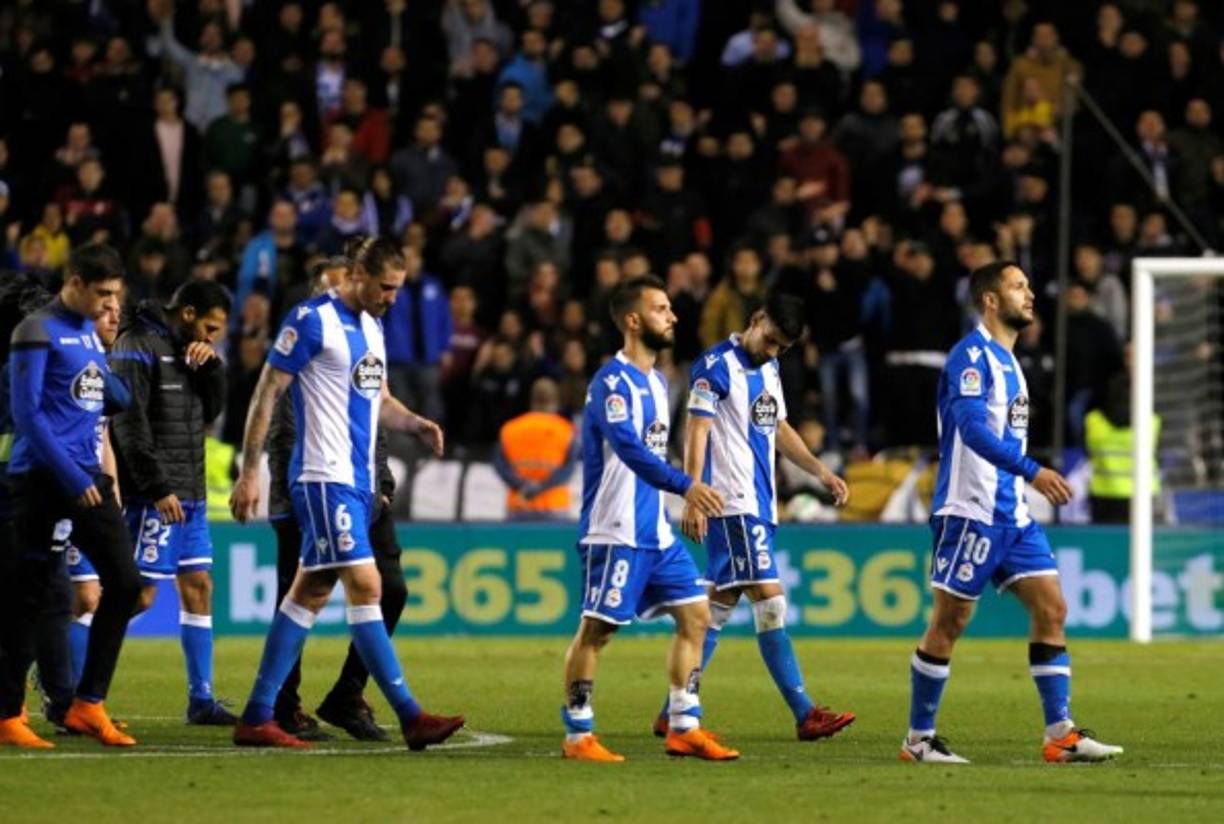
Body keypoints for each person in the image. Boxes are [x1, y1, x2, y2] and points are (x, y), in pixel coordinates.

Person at [228, 236, 463, 750]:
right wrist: (250, 473)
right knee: (369, 585)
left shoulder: (373, 329)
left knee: (308, 593)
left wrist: (415, 423)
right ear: (357, 273)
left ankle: (256, 714)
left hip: (359, 484)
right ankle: (410, 714)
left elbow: (377, 399)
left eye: (399, 289)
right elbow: (267, 392)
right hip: (322, 477)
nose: (392, 298)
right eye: (385, 287)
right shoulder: (311, 321)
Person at [901, 261, 1124, 765]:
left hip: (1013, 516)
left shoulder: (1010, 362)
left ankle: (1060, 733)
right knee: (951, 620)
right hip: (970, 512)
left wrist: (1022, 485)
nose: (1030, 294)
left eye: (1028, 284)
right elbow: (974, 432)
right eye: (1018, 286)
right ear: (991, 300)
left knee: (1053, 609)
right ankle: (918, 740)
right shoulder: (971, 358)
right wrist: (1032, 470)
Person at [656, 292, 855, 741]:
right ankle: (805, 712)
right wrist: (692, 493)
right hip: (733, 502)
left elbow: (778, 428)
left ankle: (673, 708)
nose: (773, 350)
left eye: (782, 347)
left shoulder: (770, 368)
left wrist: (820, 471)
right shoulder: (714, 365)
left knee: (716, 611)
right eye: (770, 341)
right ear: (755, 319)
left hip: (759, 505)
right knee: (770, 601)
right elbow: (698, 429)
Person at [560, 275, 736, 763]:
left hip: (654, 531)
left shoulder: (659, 383)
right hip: (614, 529)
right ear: (634, 321)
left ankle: (684, 724)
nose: (673, 316)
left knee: (697, 616)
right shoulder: (610, 383)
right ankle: (577, 734)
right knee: (598, 631)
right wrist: (687, 486)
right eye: (662, 309)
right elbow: (631, 450)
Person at [0, 244, 141, 747]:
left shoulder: (86, 334)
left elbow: (115, 400)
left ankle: (88, 703)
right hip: (41, 478)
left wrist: (106, 374)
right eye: (102, 293)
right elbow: (28, 416)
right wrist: (74, 477)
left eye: (115, 296)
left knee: (127, 584)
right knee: (29, 595)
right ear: (75, 282)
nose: (109, 305)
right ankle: (7, 713)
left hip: (85, 475)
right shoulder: (34, 331)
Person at [266, 255, 407, 742]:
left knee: (382, 588)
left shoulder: (370, 329)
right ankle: (282, 707)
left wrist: (382, 481)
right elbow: (280, 425)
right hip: (315, 485)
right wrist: (280, 494)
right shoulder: (308, 332)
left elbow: (372, 413)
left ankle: (344, 694)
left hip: (365, 487)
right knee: (313, 589)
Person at [106, 279, 235, 724]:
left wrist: (212, 368)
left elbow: (213, 412)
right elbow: (128, 422)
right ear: (187, 314)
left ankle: (201, 700)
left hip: (191, 495)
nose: (212, 337)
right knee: (137, 596)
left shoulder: (193, 353)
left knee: (198, 587)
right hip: (153, 496)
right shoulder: (136, 343)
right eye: (211, 329)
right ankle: (66, 682)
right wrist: (157, 487)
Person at [493, 377, 578, 520]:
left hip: (519, 503)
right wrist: (541, 488)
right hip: (554, 505)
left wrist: (523, 486)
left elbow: (500, 466)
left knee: (517, 543)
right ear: (555, 401)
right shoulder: (567, 431)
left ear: (532, 400)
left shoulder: (510, 428)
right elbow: (568, 470)